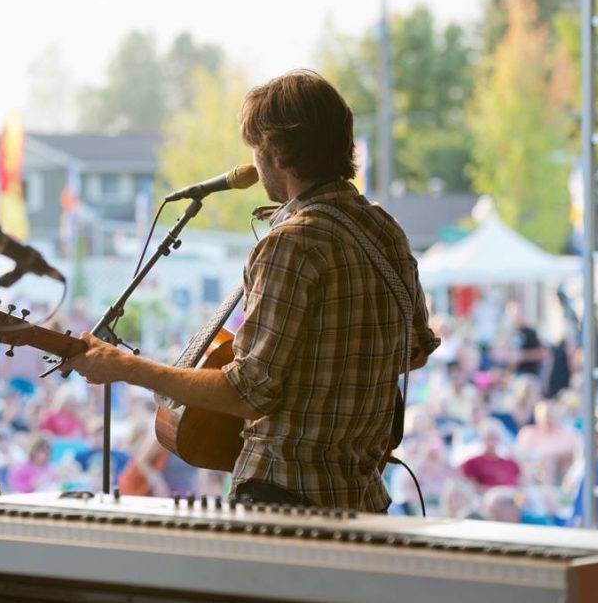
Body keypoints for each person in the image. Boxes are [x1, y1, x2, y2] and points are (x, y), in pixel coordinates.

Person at [66, 70, 438, 512]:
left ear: (278, 151)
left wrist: (127, 367)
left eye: (257, 150)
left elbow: (248, 393)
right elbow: (414, 351)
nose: (256, 165)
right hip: (365, 498)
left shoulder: (290, 243)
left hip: (283, 497)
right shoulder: (385, 230)